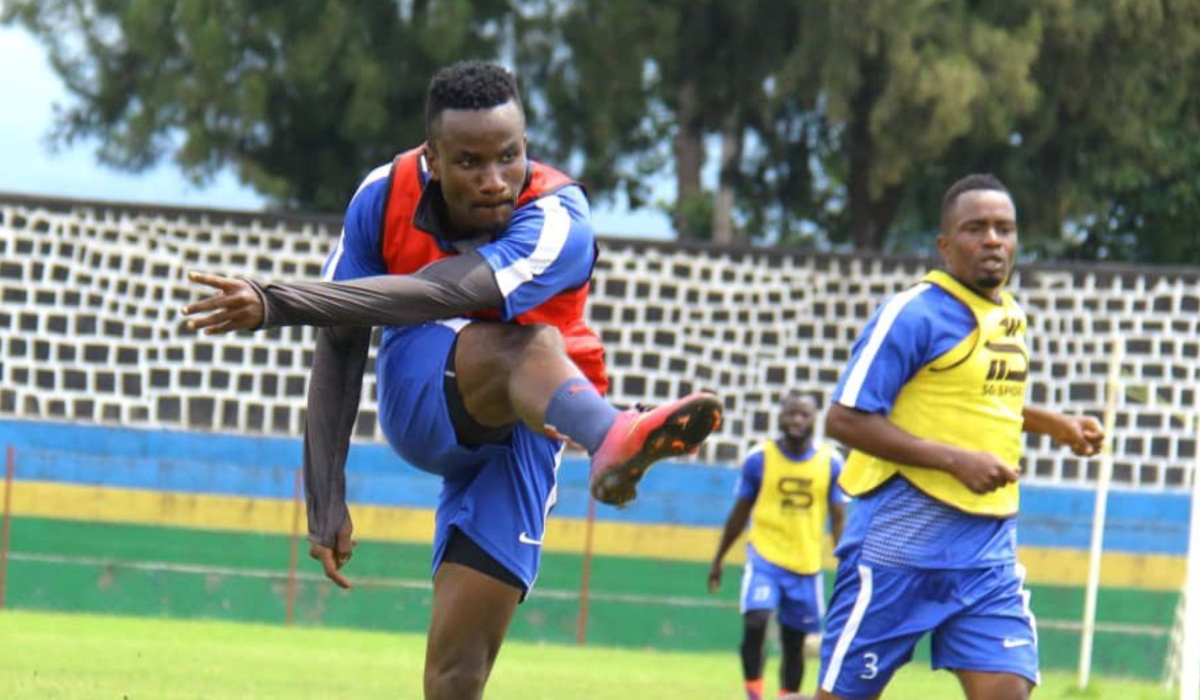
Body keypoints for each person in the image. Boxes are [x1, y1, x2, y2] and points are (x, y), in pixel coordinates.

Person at [180, 61, 723, 700]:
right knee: (528, 344)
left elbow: (456, 287)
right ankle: (614, 439)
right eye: (469, 162)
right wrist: (325, 498)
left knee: (457, 675)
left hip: (534, 428)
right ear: (432, 158)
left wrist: (280, 299)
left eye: (510, 155)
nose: (495, 181)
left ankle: (611, 443)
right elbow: (345, 339)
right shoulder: (383, 197)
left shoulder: (558, 216)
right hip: (424, 389)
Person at [814, 173, 1105, 700]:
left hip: (984, 551)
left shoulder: (1009, 316)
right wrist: (954, 461)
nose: (993, 240)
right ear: (946, 246)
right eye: (976, 229)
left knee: (1006, 691)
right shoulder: (913, 314)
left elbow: (985, 400)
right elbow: (845, 420)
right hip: (898, 544)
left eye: (1004, 229)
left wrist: (1056, 425)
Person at [708, 390, 847, 700]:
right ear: (780, 416)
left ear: (815, 419)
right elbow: (740, 512)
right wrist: (719, 557)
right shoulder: (760, 459)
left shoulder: (831, 462)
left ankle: (787, 697)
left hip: (806, 565)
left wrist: (845, 562)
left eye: (804, 414)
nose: (797, 420)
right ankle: (754, 694)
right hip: (765, 558)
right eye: (791, 413)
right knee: (756, 622)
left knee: (794, 644)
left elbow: (838, 518)